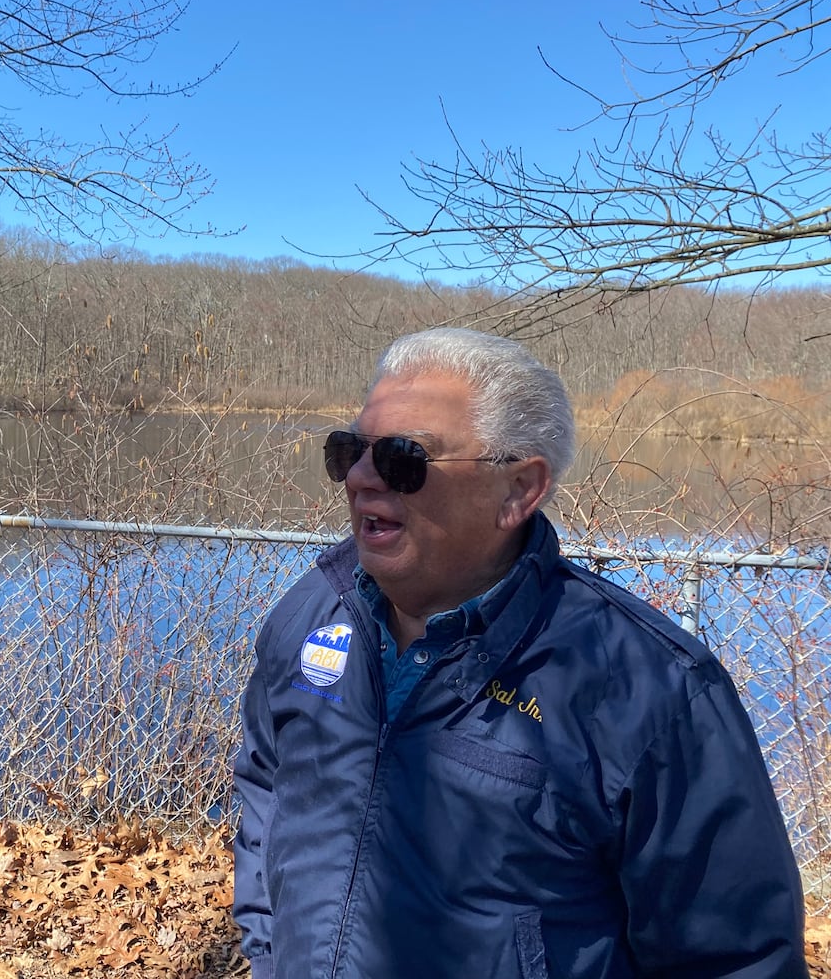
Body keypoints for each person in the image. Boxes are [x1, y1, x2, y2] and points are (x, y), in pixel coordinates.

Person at [232, 327, 807, 978]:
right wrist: (269, 950)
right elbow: (263, 785)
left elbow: (735, 960)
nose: (362, 477)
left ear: (518, 490)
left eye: (402, 458)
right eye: (348, 451)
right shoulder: (309, 614)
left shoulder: (645, 689)